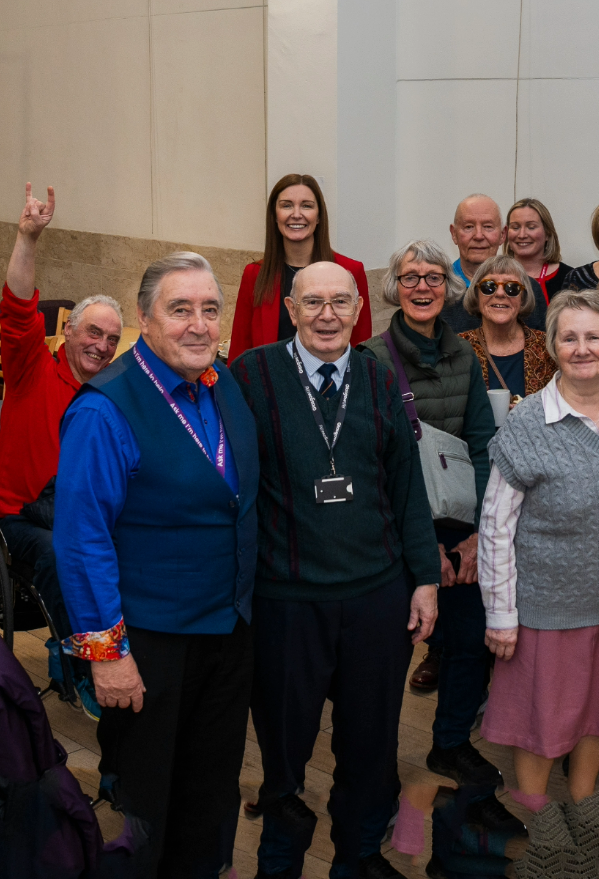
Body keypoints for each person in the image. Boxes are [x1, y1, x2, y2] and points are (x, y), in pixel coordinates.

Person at [231, 260, 443, 879]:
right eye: (313, 302)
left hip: (376, 596)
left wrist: (424, 578)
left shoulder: (378, 378)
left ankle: (359, 855)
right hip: (285, 600)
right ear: (291, 311)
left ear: (358, 310)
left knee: (372, 742)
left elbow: (407, 490)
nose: (328, 314)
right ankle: (280, 858)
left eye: (340, 302)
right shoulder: (252, 376)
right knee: (284, 745)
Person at [54, 252, 258, 877]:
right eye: (179, 310)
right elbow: (82, 540)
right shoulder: (105, 408)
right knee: (148, 805)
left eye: (209, 309)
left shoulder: (223, 386)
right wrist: (108, 655)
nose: (199, 325)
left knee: (210, 792)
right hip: (149, 646)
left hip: (226, 636)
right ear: (144, 318)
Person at [477, 290, 599, 875]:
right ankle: (538, 812)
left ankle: (584, 797)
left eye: (594, 337)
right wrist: (501, 613)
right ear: (553, 346)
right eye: (569, 337)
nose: (582, 348)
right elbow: (495, 525)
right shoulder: (528, 421)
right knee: (541, 719)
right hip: (544, 605)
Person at [368, 242, 510, 810]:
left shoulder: (464, 357)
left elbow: (483, 442)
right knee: (391, 652)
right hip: (400, 531)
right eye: (410, 277)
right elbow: (374, 462)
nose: (423, 287)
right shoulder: (373, 360)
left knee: (470, 639)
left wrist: (475, 534)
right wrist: (424, 549)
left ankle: (449, 744)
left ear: (448, 288)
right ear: (394, 287)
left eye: (433, 277)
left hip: (459, 523)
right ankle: (374, 760)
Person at [0, 185, 126, 712]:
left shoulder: (110, 393)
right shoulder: (31, 368)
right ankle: (90, 663)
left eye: (112, 340)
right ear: (67, 331)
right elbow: (19, 305)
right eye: (93, 332)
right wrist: (27, 236)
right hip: (19, 517)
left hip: (78, 514)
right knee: (64, 553)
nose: (102, 346)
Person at [232, 174, 375, 358]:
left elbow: (359, 349)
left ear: (318, 217)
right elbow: (239, 351)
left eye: (306, 205)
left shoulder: (350, 271)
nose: (297, 214)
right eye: (287, 205)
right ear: (275, 216)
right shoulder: (255, 275)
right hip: (270, 384)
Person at [461, 253, 554, 412]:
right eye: (489, 286)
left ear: (523, 298)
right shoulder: (458, 348)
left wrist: (531, 413)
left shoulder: (548, 349)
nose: (500, 293)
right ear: (476, 295)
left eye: (512, 288)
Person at [507, 197, 569, 301]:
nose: (522, 235)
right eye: (515, 227)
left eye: (531, 227)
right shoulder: (493, 276)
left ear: (548, 233)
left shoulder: (570, 278)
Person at [449, 193, 506, 289]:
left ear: (502, 235)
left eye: (488, 226)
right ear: (454, 234)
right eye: (469, 227)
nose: (478, 236)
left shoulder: (521, 287)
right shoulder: (439, 286)